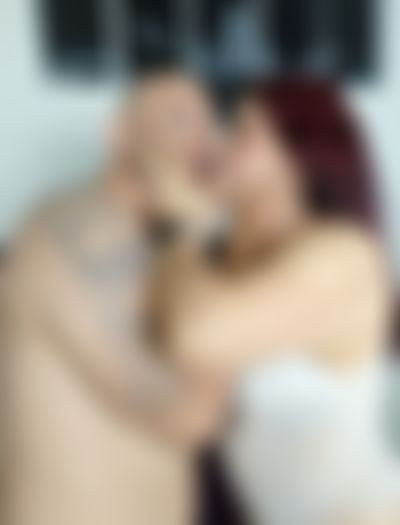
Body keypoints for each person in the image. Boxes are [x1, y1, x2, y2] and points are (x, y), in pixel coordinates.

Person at [150, 78, 400, 525]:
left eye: (242, 132)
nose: (218, 146)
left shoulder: (344, 256)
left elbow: (193, 334)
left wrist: (185, 221)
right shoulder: (218, 265)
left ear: (298, 159)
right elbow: (190, 415)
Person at [2, 70, 224, 525]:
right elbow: (187, 413)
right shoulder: (77, 227)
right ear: (118, 132)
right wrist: (203, 231)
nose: (203, 140)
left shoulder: (156, 249)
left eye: (210, 123)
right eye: (178, 118)